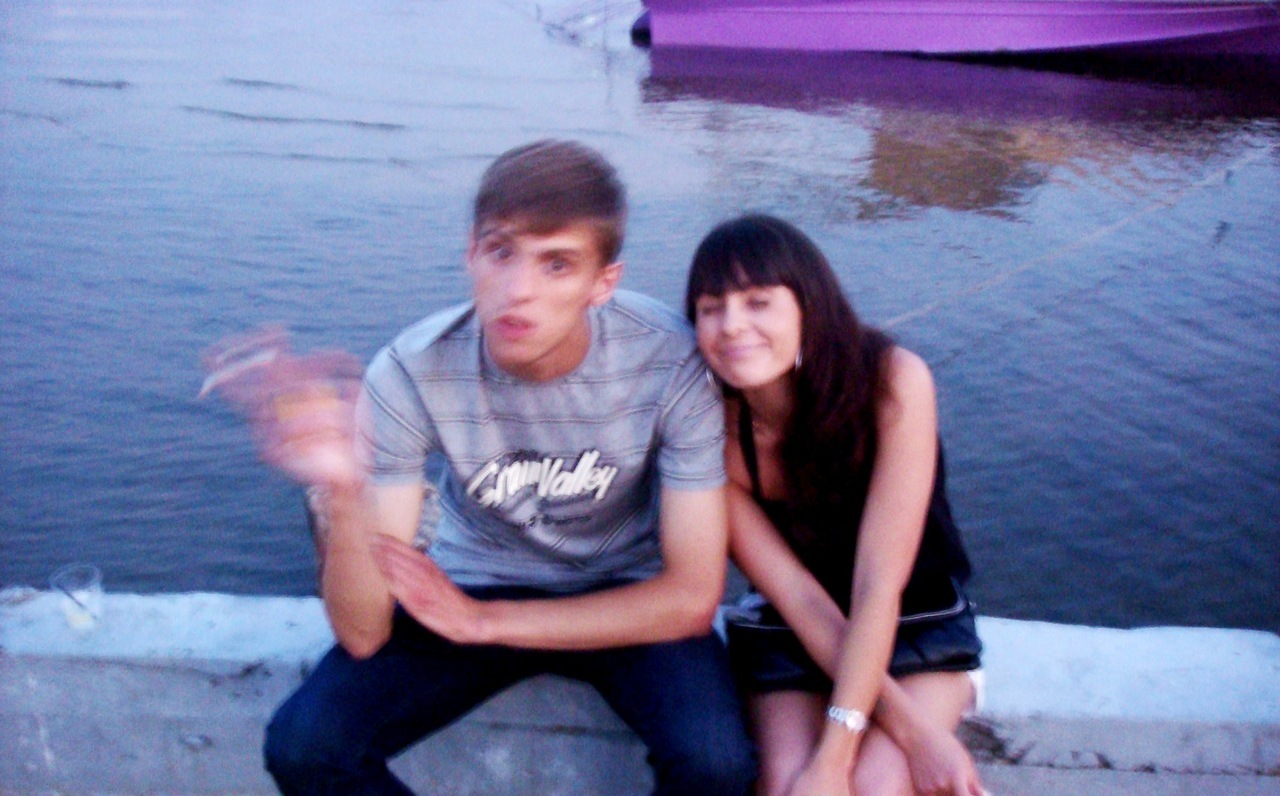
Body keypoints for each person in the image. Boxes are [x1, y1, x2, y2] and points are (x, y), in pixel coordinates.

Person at [244, 140, 756, 795]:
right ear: (470, 255)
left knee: (718, 764)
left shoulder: (670, 361)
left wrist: (486, 624)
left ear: (603, 283)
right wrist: (343, 492)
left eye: (557, 264)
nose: (518, 291)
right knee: (306, 747)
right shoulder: (410, 371)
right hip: (471, 582)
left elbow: (690, 598)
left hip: (623, 593)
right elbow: (364, 635)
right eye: (501, 252)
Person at [684, 214, 985, 796]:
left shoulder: (891, 382)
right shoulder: (711, 437)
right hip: (796, 626)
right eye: (711, 308)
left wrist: (838, 756)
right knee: (785, 783)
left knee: (876, 785)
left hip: (915, 620)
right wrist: (899, 736)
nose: (732, 325)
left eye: (758, 302)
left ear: (808, 305)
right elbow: (798, 597)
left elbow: (878, 585)